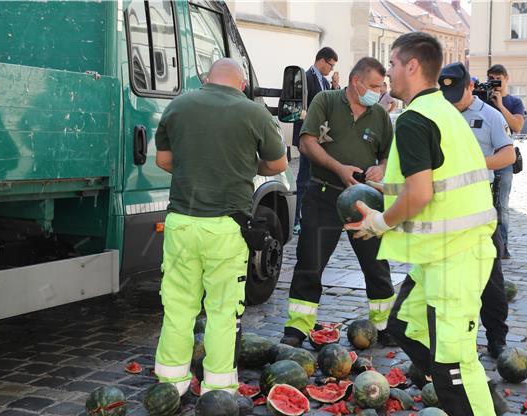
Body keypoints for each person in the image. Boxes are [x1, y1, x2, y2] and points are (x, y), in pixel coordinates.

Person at [346, 32, 515, 416]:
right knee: (403, 326)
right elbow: (430, 184)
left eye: (394, 65)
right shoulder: (443, 111)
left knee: (452, 362)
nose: (388, 74)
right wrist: (386, 188)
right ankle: (469, 397)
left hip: (455, 258)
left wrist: (381, 222)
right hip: (442, 256)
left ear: (412, 67)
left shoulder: (417, 119)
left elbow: (419, 196)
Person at [153, 59, 288, 395]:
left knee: (178, 306)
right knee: (222, 309)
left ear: (207, 79)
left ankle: (172, 380)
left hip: (181, 223)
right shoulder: (253, 112)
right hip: (227, 228)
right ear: (242, 84)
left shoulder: (179, 105)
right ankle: (218, 386)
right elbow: (278, 163)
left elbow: (163, 160)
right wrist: (241, 165)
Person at [280, 57, 396, 348]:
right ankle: (298, 326)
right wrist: (338, 168)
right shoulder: (326, 101)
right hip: (324, 194)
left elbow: (387, 154)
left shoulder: (380, 115)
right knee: (310, 260)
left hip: (365, 200)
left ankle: (384, 326)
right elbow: (306, 143)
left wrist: (381, 167)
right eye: (373, 85)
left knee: (376, 263)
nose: (379, 91)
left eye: (382, 86)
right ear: (355, 82)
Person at [438, 62, 516, 360]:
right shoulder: (441, 113)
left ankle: (497, 338)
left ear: (470, 86)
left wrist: (476, 161)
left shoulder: (491, 116)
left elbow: (508, 154)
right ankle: (456, 336)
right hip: (445, 208)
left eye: (458, 93)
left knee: (490, 278)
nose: (453, 101)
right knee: (448, 277)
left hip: (480, 207)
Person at [292, 47, 339, 235]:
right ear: (322, 61)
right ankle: (296, 220)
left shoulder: (326, 84)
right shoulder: (305, 77)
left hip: (322, 139)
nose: (332, 69)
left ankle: (314, 216)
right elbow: (298, 106)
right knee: (303, 179)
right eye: (331, 65)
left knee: (318, 179)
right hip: (307, 136)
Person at [486, 64, 525, 259]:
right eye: (491, 79)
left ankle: (502, 248)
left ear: (506, 78)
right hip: (484, 159)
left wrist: (500, 105)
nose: (495, 84)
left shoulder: (514, 102)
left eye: (498, 80)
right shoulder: (482, 99)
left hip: (504, 159)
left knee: (501, 205)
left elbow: (517, 126)